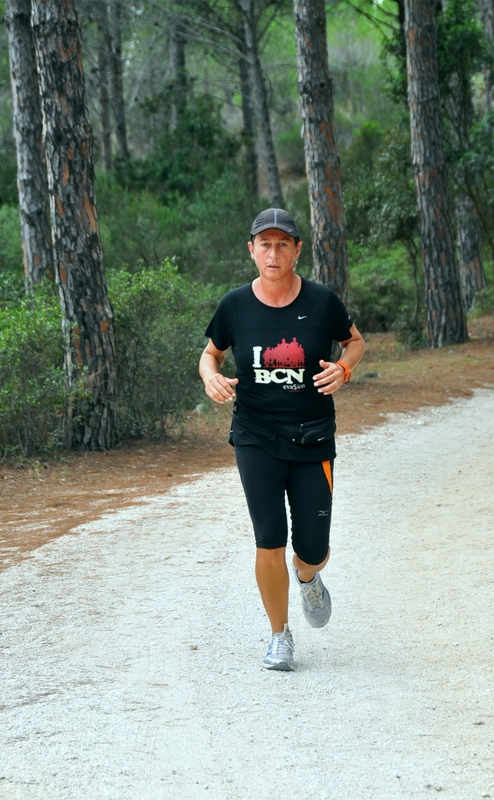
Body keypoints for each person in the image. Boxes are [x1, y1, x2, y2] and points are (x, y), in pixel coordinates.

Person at [199, 208, 365, 671]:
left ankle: (309, 578)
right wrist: (210, 377)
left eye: (282, 244)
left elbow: (355, 341)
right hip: (256, 435)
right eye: (264, 244)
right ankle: (279, 634)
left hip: (313, 438)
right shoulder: (234, 306)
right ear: (251, 250)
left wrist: (344, 367)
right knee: (268, 536)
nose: (273, 253)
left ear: (297, 250)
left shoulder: (322, 301)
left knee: (312, 548)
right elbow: (210, 354)